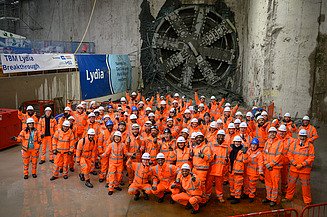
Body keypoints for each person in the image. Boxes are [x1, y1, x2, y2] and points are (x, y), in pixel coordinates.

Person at [283, 129, 315, 205]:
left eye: (304, 136)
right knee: (291, 184)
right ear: (298, 136)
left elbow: (311, 157)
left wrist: (302, 164)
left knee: (305, 186)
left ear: (306, 136)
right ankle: (288, 197)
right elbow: (289, 154)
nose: (302, 138)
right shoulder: (294, 144)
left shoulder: (310, 146)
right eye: (301, 136)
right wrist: (294, 163)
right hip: (294, 169)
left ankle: (307, 201)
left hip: (304, 170)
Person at [206, 129, 229, 203]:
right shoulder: (211, 144)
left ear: (224, 137)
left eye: (222, 136)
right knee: (208, 184)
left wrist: (227, 161)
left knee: (219, 184)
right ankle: (207, 195)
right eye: (219, 135)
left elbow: (227, 157)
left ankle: (220, 196)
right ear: (217, 136)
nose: (220, 137)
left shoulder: (226, 147)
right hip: (211, 168)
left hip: (220, 168)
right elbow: (207, 155)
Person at [262, 127, 283, 207]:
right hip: (268, 167)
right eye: (271, 132)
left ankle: (273, 199)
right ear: (268, 133)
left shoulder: (279, 143)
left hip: (275, 168)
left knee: (275, 184)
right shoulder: (267, 142)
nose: (272, 134)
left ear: (276, 133)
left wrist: (270, 164)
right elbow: (264, 154)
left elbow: (279, 156)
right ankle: (268, 197)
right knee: (268, 183)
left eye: (274, 132)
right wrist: (266, 163)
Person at [228, 136, 248, 204]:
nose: (237, 143)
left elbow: (245, 161)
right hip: (231, 169)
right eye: (236, 142)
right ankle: (233, 195)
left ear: (240, 143)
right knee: (231, 183)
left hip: (238, 171)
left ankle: (237, 197)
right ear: (234, 142)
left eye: (238, 142)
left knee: (237, 185)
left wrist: (245, 154)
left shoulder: (243, 151)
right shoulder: (231, 149)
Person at [243, 138, 264, 203]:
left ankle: (251, 196)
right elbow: (245, 159)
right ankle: (246, 193)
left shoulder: (259, 153)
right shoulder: (248, 150)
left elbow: (260, 163)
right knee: (246, 183)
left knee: (252, 185)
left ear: (257, 146)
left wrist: (260, 171)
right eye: (252, 144)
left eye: (255, 145)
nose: (253, 146)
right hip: (247, 171)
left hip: (254, 172)